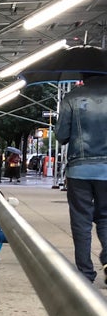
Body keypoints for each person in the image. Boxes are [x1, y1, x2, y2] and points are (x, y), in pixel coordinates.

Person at [55, 73, 107, 284]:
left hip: (79, 170)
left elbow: (61, 136)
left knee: (81, 221)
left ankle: (85, 274)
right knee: (106, 218)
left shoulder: (72, 98)